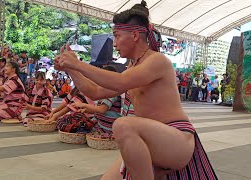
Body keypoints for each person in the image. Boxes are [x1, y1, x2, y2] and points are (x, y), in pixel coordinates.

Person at [54, 1, 217, 179]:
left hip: (176, 138)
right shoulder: (133, 69)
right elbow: (94, 92)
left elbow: (120, 82)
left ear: (134, 36)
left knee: (123, 125)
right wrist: (70, 69)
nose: (114, 44)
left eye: (117, 36)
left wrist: (78, 63)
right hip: (148, 138)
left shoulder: (157, 61)